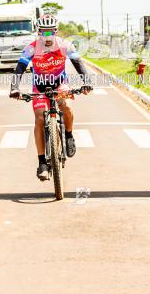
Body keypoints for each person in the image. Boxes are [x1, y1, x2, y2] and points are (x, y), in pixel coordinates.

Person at [9, 14, 91, 181]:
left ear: (56, 31)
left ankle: (68, 135)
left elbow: (79, 63)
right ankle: (42, 164)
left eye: (50, 33)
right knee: (39, 119)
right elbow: (20, 67)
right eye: (42, 33)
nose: (46, 37)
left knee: (66, 106)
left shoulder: (65, 45)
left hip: (60, 84)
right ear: (38, 32)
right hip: (39, 85)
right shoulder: (31, 48)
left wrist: (87, 81)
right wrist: (14, 88)